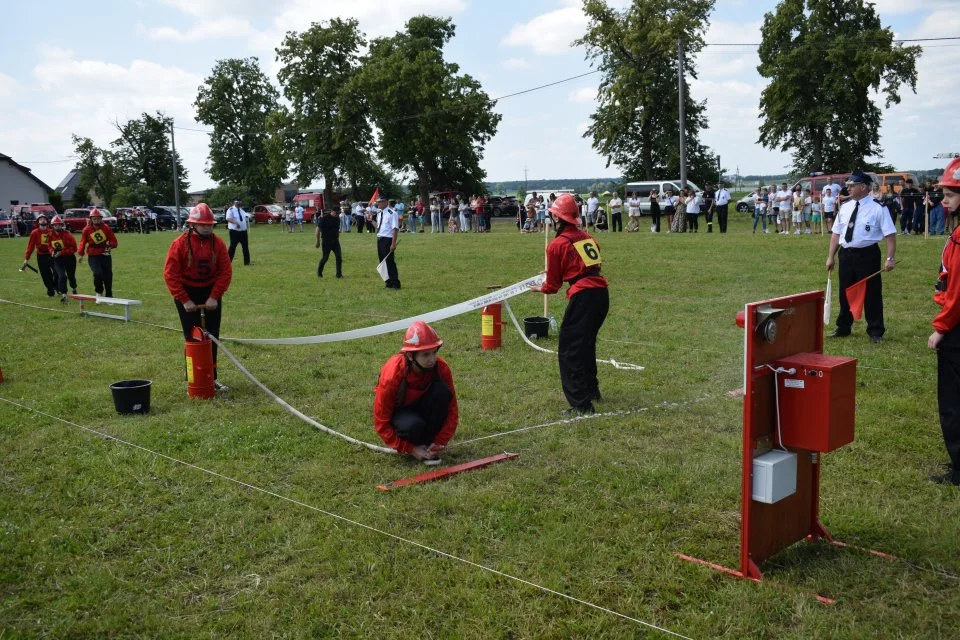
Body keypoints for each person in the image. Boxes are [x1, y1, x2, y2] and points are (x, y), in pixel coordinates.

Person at [529, 193, 609, 415]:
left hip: (583, 297)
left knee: (569, 350)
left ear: (557, 218)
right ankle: (592, 391)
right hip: (601, 294)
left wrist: (541, 287)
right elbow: (585, 267)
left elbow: (552, 286)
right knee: (586, 345)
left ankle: (581, 404)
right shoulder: (588, 238)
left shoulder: (556, 245)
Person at [163, 203, 232, 392]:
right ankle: (193, 378)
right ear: (192, 224)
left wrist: (214, 296)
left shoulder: (217, 244)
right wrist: (184, 299)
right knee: (193, 337)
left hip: (210, 293)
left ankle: (212, 378)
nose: (207, 228)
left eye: (210, 225)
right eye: (203, 225)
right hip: (187, 293)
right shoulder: (179, 244)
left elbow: (225, 272)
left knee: (212, 336)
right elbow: (171, 274)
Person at [825, 170, 897, 343]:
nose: (848, 189)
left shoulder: (878, 207)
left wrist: (890, 258)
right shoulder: (845, 207)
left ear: (863, 187)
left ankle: (875, 331)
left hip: (867, 254)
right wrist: (831, 257)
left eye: (852, 186)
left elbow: (890, 235)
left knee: (871, 293)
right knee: (845, 292)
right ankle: (843, 327)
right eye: (848, 185)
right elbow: (836, 234)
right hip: (846, 254)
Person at [373, 321, 458, 463]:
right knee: (413, 426)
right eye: (425, 355)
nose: (432, 359)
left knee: (442, 392)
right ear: (411, 356)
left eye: (434, 352)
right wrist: (410, 448)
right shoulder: (392, 373)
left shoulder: (441, 368)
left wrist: (440, 442)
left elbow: (452, 409)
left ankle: (427, 444)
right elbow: (381, 422)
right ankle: (417, 443)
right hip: (402, 415)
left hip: (424, 409)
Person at [928, 158, 960, 486]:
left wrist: (941, 329)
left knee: (952, 400)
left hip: (956, 330)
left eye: (950, 194)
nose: (944, 200)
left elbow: (957, 293)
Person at [77, 208, 118, 297]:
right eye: (94, 218)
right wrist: (80, 255)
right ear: (91, 219)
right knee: (97, 273)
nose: (96, 220)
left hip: (105, 254)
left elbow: (114, 242)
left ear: (101, 218)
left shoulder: (106, 228)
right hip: (93, 255)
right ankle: (99, 291)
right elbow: (82, 243)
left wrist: (110, 246)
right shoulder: (86, 230)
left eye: (98, 218)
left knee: (108, 275)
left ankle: (109, 295)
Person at [22, 213, 57, 297]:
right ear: (38, 222)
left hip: (52, 255)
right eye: (40, 219)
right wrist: (26, 258)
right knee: (45, 274)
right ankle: (50, 290)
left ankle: (56, 286)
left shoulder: (51, 231)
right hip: (41, 256)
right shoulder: (34, 233)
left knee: (57, 272)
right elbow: (30, 246)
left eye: (44, 218)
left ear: (47, 221)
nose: (43, 220)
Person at [47, 215, 78, 301]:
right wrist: (52, 251)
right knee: (62, 276)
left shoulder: (68, 235)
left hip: (69, 258)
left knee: (71, 276)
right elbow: (49, 246)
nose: (57, 227)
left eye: (59, 225)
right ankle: (64, 294)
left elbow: (74, 248)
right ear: (52, 226)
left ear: (62, 225)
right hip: (57, 260)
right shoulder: (49, 235)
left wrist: (62, 252)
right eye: (55, 225)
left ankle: (74, 288)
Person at [376, 196, 400, 289]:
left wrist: (393, 243)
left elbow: (395, 229)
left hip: (387, 239)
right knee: (382, 262)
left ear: (385, 202)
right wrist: (371, 221)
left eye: (379, 202)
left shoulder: (391, 213)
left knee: (389, 262)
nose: (378, 204)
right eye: (377, 202)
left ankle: (395, 283)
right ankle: (388, 282)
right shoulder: (380, 213)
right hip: (380, 239)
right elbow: (379, 227)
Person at [315, 208, 343, 279]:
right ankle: (319, 272)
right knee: (325, 258)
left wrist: (338, 238)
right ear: (332, 211)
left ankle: (339, 275)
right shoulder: (324, 218)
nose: (337, 215)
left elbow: (337, 229)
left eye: (338, 213)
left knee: (339, 257)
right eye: (336, 213)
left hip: (335, 241)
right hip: (326, 241)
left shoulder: (337, 219)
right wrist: (318, 241)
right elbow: (317, 229)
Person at [226, 198, 251, 265]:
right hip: (234, 232)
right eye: (238, 202)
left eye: (240, 202)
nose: (240, 203)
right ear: (234, 202)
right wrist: (236, 223)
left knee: (245, 247)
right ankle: (227, 262)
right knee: (232, 247)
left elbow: (245, 216)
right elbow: (228, 218)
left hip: (243, 232)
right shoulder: (231, 209)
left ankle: (247, 262)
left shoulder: (241, 210)